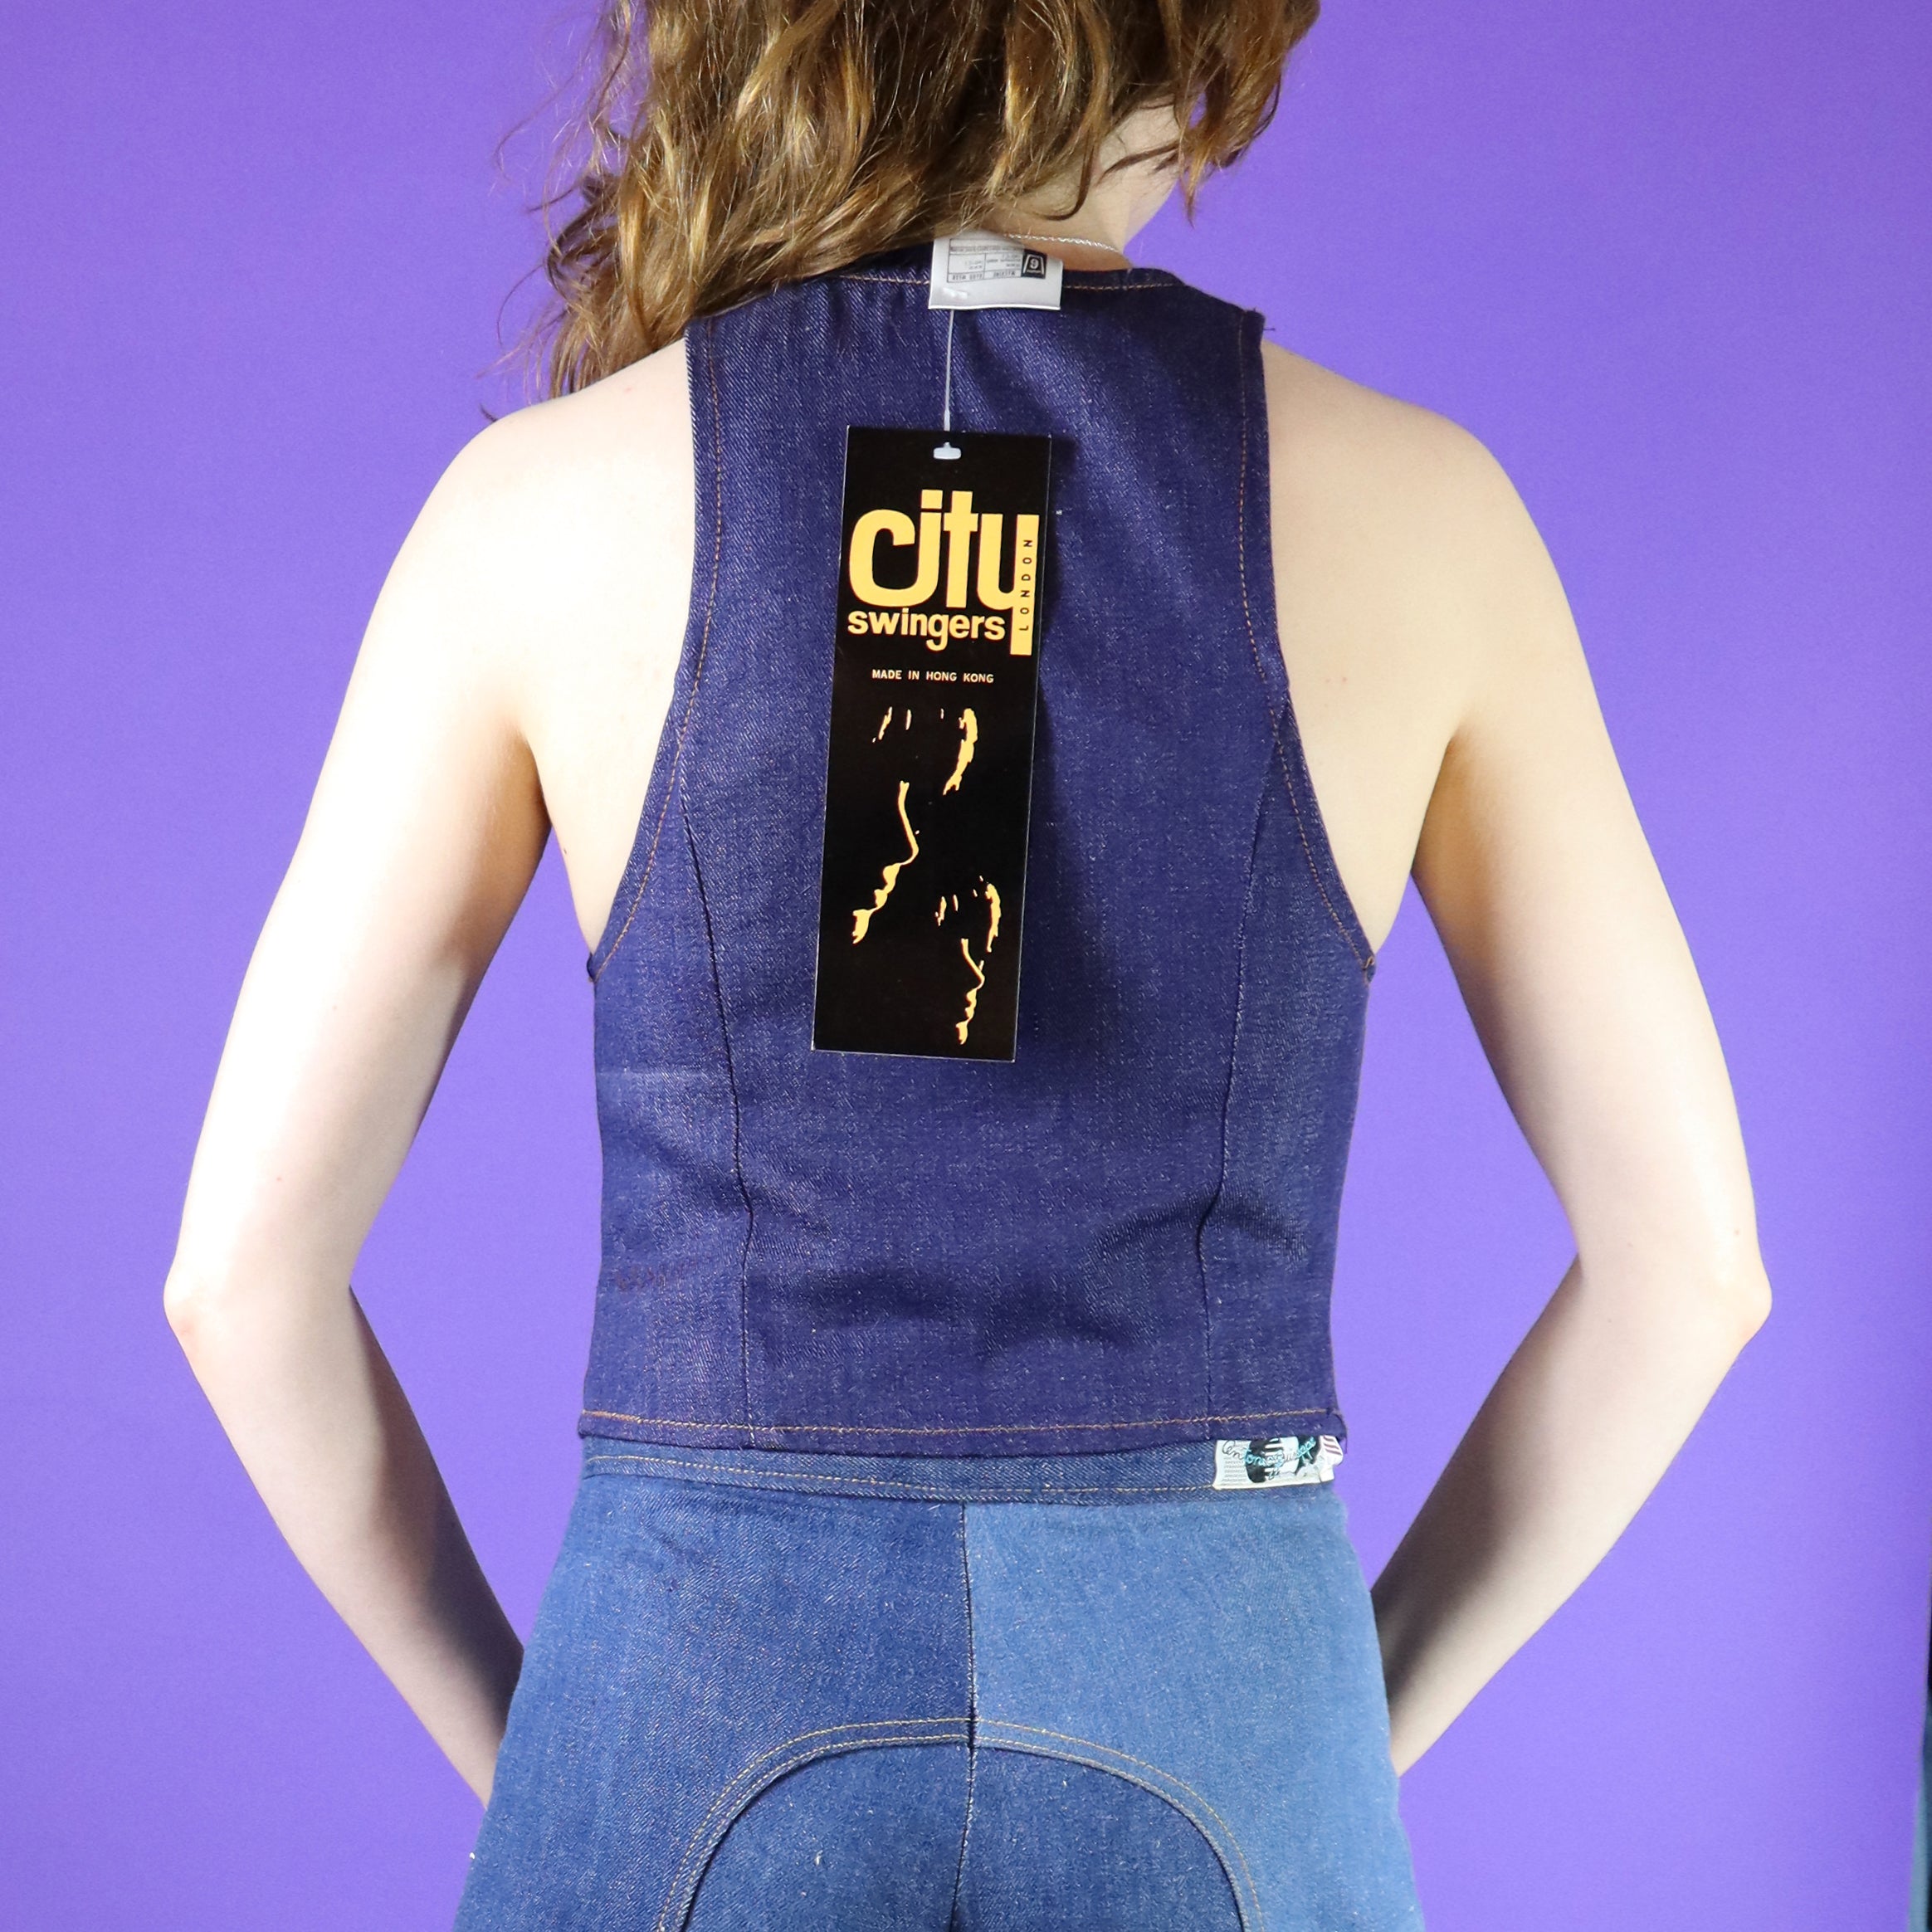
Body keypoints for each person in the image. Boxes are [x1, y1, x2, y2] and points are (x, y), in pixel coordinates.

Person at [162, 2, 1772, 1925]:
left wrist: (563, 1773)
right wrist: (1316, 1752)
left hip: (693, 1666)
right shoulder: (1432, 513)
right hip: (1224, 1664)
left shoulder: (537, 512)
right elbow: (1694, 1273)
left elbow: (238, 1285)